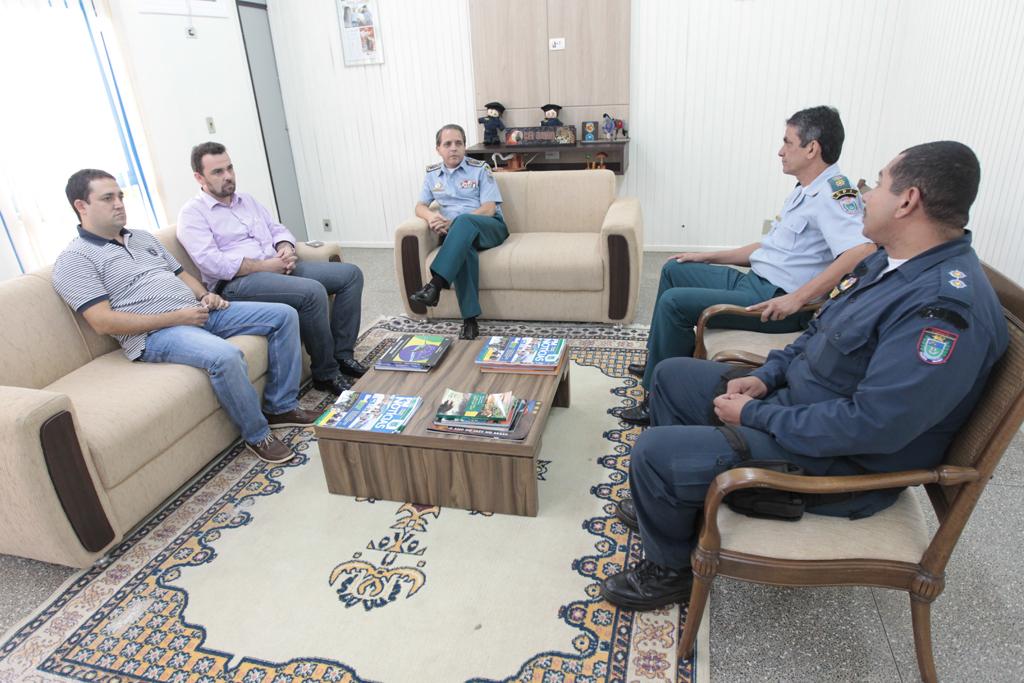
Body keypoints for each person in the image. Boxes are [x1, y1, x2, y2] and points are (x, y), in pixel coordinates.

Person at [600, 141, 1008, 611]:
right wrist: (768, 377)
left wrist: (755, 414)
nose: (867, 194)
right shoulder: (887, 262)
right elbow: (819, 332)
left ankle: (669, 571)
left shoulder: (941, 310)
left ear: (907, 201)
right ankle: (679, 499)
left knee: (652, 453)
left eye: (877, 183)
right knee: (672, 377)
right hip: (799, 408)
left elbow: (871, 426)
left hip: (837, 462)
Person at [620, 106, 876, 426]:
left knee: (674, 304)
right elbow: (768, 248)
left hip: (775, 301)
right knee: (675, 268)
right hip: (755, 279)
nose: (780, 151)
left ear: (812, 148)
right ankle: (664, 358)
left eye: (788, 143)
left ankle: (655, 399)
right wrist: (706, 256)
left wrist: (798, 299)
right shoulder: (805, 190)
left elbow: (862, 250)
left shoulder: (834, 193)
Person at [52, 169, 321, 465]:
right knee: (226, 357)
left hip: (197, 313)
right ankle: (258, 435)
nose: (119, 203)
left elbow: (180, 274)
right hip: (156, 334)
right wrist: (176, 317)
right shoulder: (74, 260)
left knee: (283, 316)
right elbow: (103, 322)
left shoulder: (142, 238)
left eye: (120, 196)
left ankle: (280, 406)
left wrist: (204, 295)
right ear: (81, 206)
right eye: (107, 198)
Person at [177, 142, 366, 397]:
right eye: (218, 172)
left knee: (350, 275)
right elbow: (212, 262)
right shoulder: (192, 214)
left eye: (230, 168)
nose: (228, 176)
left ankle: (343, 355)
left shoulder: (247, 201)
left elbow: (276, 228)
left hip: (278, 268)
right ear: (199, 177)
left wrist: (285, 247)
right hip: (237, 284)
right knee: (312, 292)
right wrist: (267, 266)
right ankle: (326, 373)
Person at [408, 124, 508, 340]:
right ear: (438, 149)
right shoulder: (433, 175)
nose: (453, 148)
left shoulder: (480, 168)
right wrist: (431, 217)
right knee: (465, 250)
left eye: (458, 143)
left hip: (489, 227)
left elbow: (490, 209)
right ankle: (470, 321)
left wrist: (453, 223)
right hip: (460, 235)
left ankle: (435, 285)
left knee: (463, 223)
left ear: (464, 146)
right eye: (448, 144)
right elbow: (420, 206)